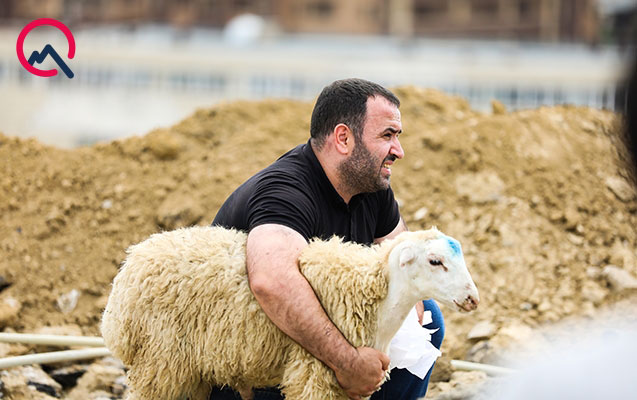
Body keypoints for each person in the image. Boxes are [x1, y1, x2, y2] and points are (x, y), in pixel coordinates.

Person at [210, 78, 444, 400]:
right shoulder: (286, 190)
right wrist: (347, 363)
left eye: (397, 136)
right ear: (344, 138)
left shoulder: (371, 187)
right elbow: (271, 282)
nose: (398, 151)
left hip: (308, 345)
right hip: (245, 359)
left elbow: (406, 262)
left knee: (427, 318)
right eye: (387, 136)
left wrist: (407, 305)